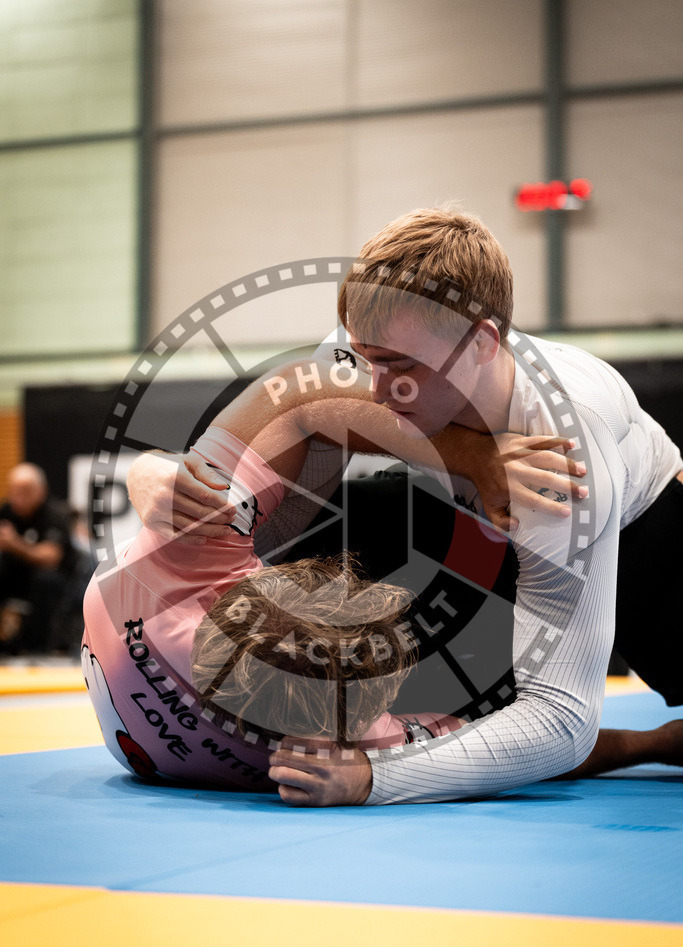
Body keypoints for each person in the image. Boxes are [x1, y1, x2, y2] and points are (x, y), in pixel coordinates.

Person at [128, 206, 683, 806]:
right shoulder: (380, 344)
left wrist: (375, 778)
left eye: (400, 366)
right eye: (366, 357)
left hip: (646, 543)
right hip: (462, 522)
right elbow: (294, 407)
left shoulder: (561, 457)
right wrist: (158, 473)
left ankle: (652, 743)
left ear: (482, 343)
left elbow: (561, 721)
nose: (374, 386)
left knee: (516, 723)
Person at [87, 406, 680, 795]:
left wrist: (156, 470)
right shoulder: (350, 745)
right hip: (495, 599)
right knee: (488, 689)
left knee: (396, 517)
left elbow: (302, 404)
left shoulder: (177, 564)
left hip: (413, 525)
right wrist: (651, 744)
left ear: (260, 585)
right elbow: (529, 743)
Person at [0, 462, 77, 654]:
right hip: (15, 577)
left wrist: (15, 543)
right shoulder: (6, 513)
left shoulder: (55, 513)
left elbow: (51, 558)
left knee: (45, 580)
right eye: (14, 491)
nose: (18, 498)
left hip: (54, 581)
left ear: (42, 490)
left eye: (25, 492)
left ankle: (38, 647)